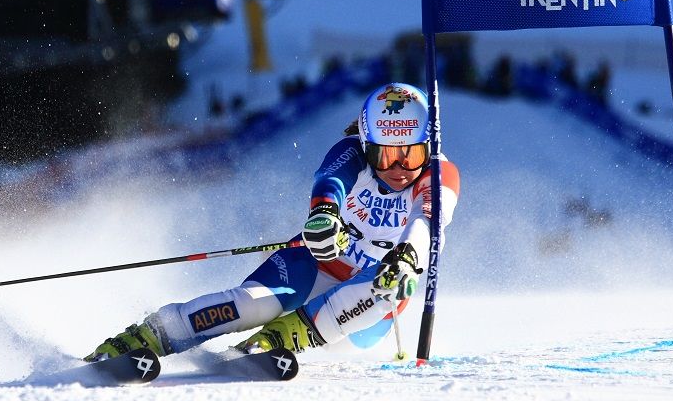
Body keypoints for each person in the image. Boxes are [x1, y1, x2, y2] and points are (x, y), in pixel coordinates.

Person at [86, 83, 461, 361]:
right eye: (384, 155)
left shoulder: (439, 176)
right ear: (365, 144)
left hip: (363, 306)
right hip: (316, 263)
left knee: (389, 286)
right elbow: (330, 185)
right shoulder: (352, 155)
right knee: (253, 304)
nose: (397, 167)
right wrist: (324, 217)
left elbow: (426, 221)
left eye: (410, 155)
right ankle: (151, 335)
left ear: (429, 146)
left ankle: (282, 337)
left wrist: (408, 257)